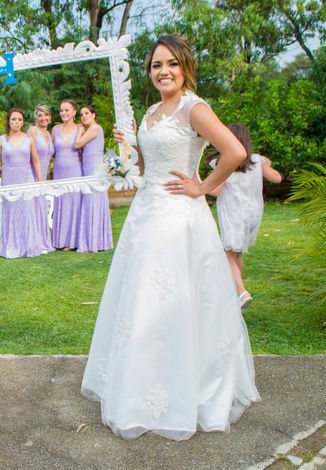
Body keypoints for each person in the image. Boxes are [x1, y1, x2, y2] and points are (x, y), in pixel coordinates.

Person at [81, 34, 260, 441]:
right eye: (156, 65)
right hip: (145, 213)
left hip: (179, 218)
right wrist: (129, 143)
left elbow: (233, 151)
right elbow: (148, 165)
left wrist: (202, 187)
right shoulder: (150, 112)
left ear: (185, 68)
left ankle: (184, 390)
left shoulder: (193, 107)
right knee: (142, 302)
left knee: (174, 301)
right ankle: (140, 384)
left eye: (171, 64)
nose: (163, 71)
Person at [208, 124, 283, 308]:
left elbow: (216, 191)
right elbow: (277, 178)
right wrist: (267, 164)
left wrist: (200, 184)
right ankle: (236, 294)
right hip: (252, 214)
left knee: (227, 255)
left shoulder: (223, 162)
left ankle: (241, 292)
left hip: (233, 213)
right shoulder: (257, 161)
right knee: (237, 254)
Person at [0, 108, 46, 258]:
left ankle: (29, 247)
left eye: (20, 119)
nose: (16, 122)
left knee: (27, 212)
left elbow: (35, 161)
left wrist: (39, 181)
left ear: (23, 122)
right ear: (9, 121)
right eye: (14, 119)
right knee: (11, 213)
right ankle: (11, 247)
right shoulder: (1, 140)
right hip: (9, 180)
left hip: (26, 179)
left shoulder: (29, 139)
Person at [74, 105, 113, 253]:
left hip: (94, 170)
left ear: (93, 115)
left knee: (93, 201)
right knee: (91, 201)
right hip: (88, 168)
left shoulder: (95, 128)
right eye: (82, 114)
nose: (84, 116)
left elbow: (77, 144)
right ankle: (94, 240)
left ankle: (94, 241)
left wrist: (79, 131)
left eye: (86, 113)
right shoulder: (91, 129)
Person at [51, 99, 83, 250]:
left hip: (75, 170)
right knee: (61, 203)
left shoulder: (80, 128)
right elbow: (50, 151)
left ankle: (74, 241)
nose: (63, 113)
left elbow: (84, 151)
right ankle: (60, 240)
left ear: (74, 112)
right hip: (59, 170)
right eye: (61, 110)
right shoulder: (55, 129)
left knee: (74, 202)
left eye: (67, 110)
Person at [26, 104, 55, 254]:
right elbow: (28, 155)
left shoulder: (49, 133)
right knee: (33, 208)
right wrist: (36, 177)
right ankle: (34, 243)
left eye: (46, 115)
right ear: (35, 117)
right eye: (40, 115)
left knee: (41, 208)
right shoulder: (32, 131)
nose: (43, 118)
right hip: (32, 175)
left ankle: (43, 241)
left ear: (50, 117)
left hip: (43, 176)